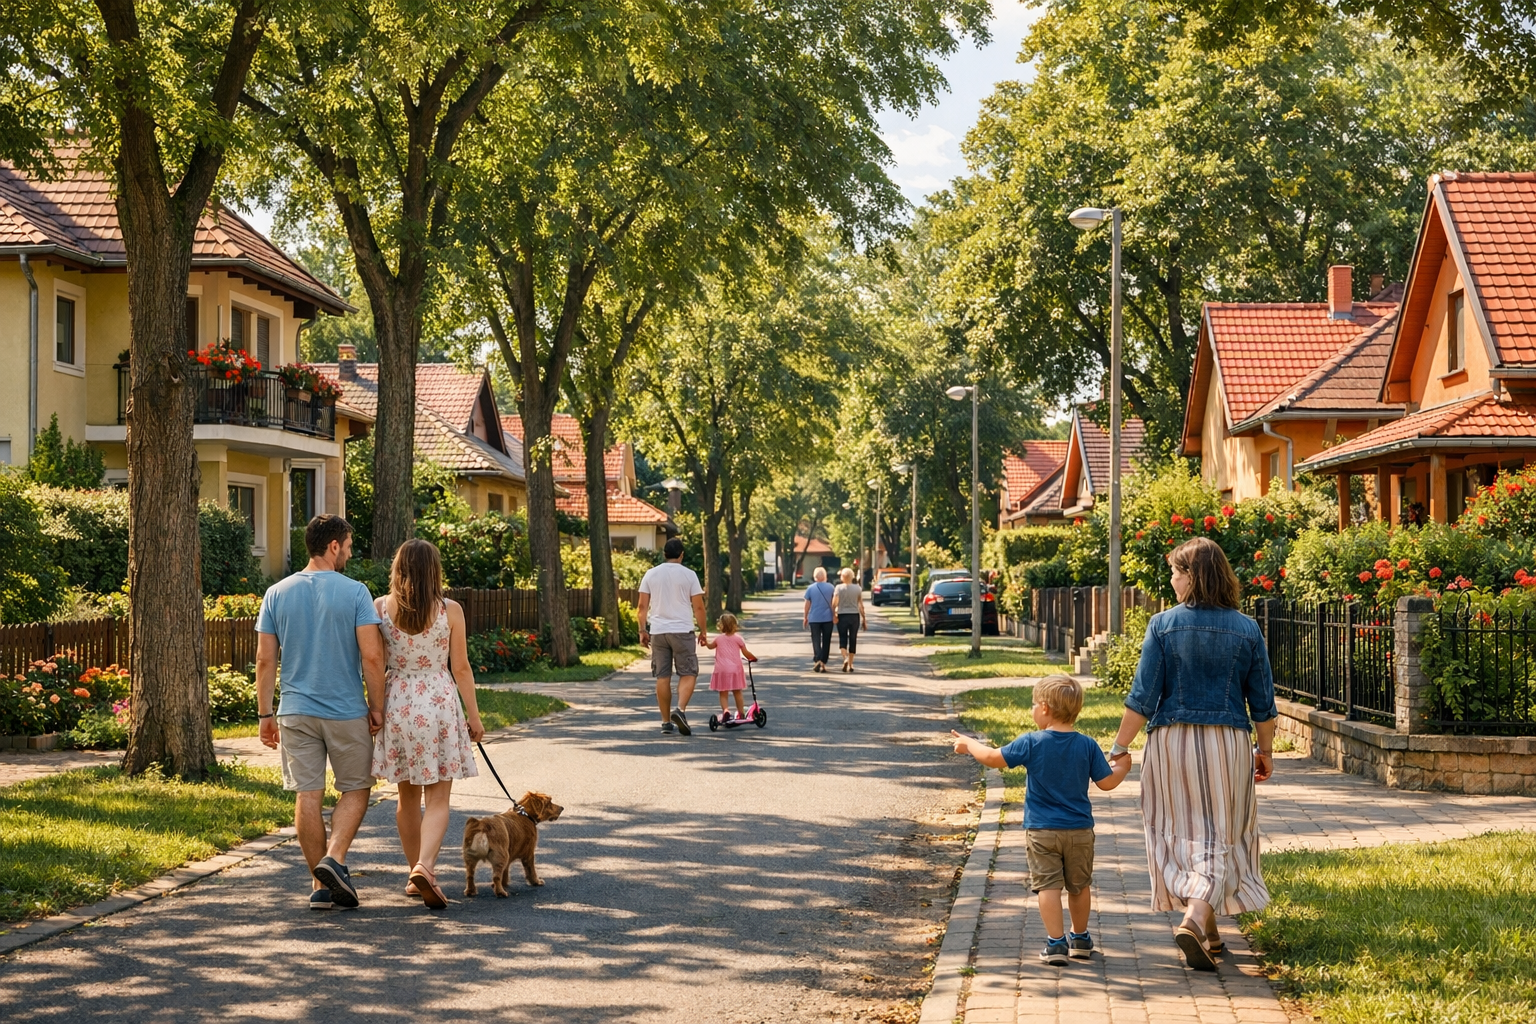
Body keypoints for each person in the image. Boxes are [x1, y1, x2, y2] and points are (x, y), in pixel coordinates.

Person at [1107, 536, 1279, 971]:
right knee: (1222, 835)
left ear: (1192, 576)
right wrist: (1266, 750)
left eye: (1175, 572)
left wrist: (1120, 746)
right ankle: (1199, 919)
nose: (1171, 580)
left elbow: (1142, 696)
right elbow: (1263, 703)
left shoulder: (1162, 625)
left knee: (1177, 833)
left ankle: (1205, 928)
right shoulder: (1247, 629)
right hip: (1227, 744)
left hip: (1171, 745)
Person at [952, 675, 1132, 965]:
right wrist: (1122, 767)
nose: (1032, 709)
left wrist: (969, 744)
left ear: (1045, 708)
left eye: (1034, 704)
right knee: (1079, 886)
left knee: (1048, 887)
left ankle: (1056, 943)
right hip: (1079, 831)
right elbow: (1107, 783)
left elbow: (993, 757)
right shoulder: (1087, 745)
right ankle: (1081, 938)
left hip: (1041, 831)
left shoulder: (1032, 742)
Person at [256, 515, 386, 911]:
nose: (348, 552)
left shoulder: (276, 593)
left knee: (307, 794)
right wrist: (377, 706)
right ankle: (335, 859)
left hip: (295, 712)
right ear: (333, 546)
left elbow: (265, 660)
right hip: (345, 710)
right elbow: (371, 654)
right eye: (347, 545)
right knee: (357, 788)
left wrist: (265, 713)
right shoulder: (356, 592)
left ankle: (320, 885)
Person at [371, 538, 486, 909]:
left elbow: (373, 662)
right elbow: (462, 668)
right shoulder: (449, 610)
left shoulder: (380, 609)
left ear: (398, 569)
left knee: (406, 798)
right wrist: (474, 715)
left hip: (398, 702)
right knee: (438, 796)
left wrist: (373, 707)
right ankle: (426, 865)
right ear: (434, 570)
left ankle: (413, 873)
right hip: (437, 701)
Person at [638, 537, 708, 736]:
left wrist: (642, 630)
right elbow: (699, 607)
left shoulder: (650, 574)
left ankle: (665, 722)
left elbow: (642, 607)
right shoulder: (689, 575)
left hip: (658, 631)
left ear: (664, 554)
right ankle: (681, 710)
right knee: (688, 672)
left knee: (663, 676)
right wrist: (703, 632)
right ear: (682, 555)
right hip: (682, 630)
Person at [704, 612, 756, 721]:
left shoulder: (718, 639)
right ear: (734, 625)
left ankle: (726, 711)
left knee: (723, 692)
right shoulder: (738, 639)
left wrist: (706, 642)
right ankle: (741, 713)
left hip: (721, 669)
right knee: (737, 692)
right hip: (735, 669)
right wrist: (753, 658)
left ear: (721, 625)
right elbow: (745, 653)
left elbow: (710, 647)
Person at [832, 567, 867, 673]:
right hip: (854, 616)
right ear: (852, 577)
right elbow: (861, 605)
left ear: (842, 577)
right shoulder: (858, 589)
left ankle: (845, 658)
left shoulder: (838, 588)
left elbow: (834, 603)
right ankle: (851, 664)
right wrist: (864, 619)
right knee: (853, 639)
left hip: (842, 615)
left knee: (842, 638)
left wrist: (834, 614)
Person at [803, 566, 836, 672]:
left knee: (816, 640)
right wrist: (835, 614)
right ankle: (823, 661)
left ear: (815, 576)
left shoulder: (810, 588)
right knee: (827, 640)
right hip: (828, 618)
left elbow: (807, 604)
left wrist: (805, 617)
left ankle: (817, 658)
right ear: (825, 576)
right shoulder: (831, 587)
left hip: (814, 618)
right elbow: (834, 603)